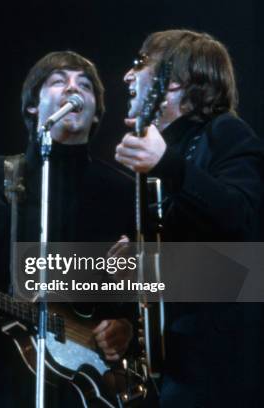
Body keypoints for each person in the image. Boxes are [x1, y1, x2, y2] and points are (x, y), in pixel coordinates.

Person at [0, 51, 136, 407]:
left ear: (95, 113)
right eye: (59, 81)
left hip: (94, 389)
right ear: (33, 106)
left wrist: (127, 328)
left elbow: (145, 291)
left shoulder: (121, 191)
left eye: (85, 85)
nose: (72, 89)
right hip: (4, 379)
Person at [115, 29, 264, 407]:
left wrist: (167, 165)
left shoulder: (224, 133)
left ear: (175, 82)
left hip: (220, 369)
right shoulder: (157, 159)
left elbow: (240, 216)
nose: (127, 77)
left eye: (140, 64)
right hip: (173, 366)